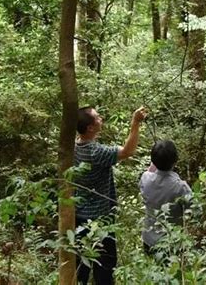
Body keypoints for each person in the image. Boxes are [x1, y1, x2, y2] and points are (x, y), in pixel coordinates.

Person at [74, 105, 148, 285]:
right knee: (105, 270)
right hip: (101, 222)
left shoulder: (73, 146)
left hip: (78, 217)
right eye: (98, 117)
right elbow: (127, 152)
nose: (101, 119)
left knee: (80, 268)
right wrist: (135, 123)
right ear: (90, 127)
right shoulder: (96, 152)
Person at [139, 139, 192, 255]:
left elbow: (150, 174)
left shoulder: (145, 178)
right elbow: (194, 210)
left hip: (149, 239)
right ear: (175, 161)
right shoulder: (181, 187)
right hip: (172, 242)